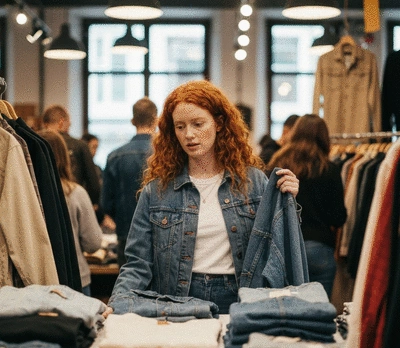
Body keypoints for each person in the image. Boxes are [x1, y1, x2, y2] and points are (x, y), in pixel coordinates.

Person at [103, 80, 299, 317]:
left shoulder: (254, 182)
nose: (189, 135)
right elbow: (137, 263)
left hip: (240, 296)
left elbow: (277, 247)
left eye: (198, 124)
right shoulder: (157, 191)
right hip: (177, 299)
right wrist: (117, 303)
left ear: (218, 123)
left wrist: (287, 203)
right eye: (180, 127)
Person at [266, 114, 347, 299]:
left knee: (285, 309)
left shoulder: (278, 164)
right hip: (319, 248)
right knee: (318, 313)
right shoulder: (330, 169)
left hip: (284, 246)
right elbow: (338, 217)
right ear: (324, 138)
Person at [38, 129, 103, 296]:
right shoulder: (76, 193)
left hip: (37, 282)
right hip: (76, 279)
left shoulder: (26, 193)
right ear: (64, 156)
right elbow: (93, 243)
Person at [101, 97, 158, 267]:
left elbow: (106, 203)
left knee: (129, 286)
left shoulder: (115, 156)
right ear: (156, 119)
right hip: (161, 235)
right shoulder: (166, 155)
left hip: (126, 234)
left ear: (133, 121)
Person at [42, 105, 101, 207]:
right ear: (61, 122)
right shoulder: (80, 146)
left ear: (45, 123)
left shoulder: (33, 143)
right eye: (69, 124)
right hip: (71, 201)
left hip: (41, 203)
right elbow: (94, 185)